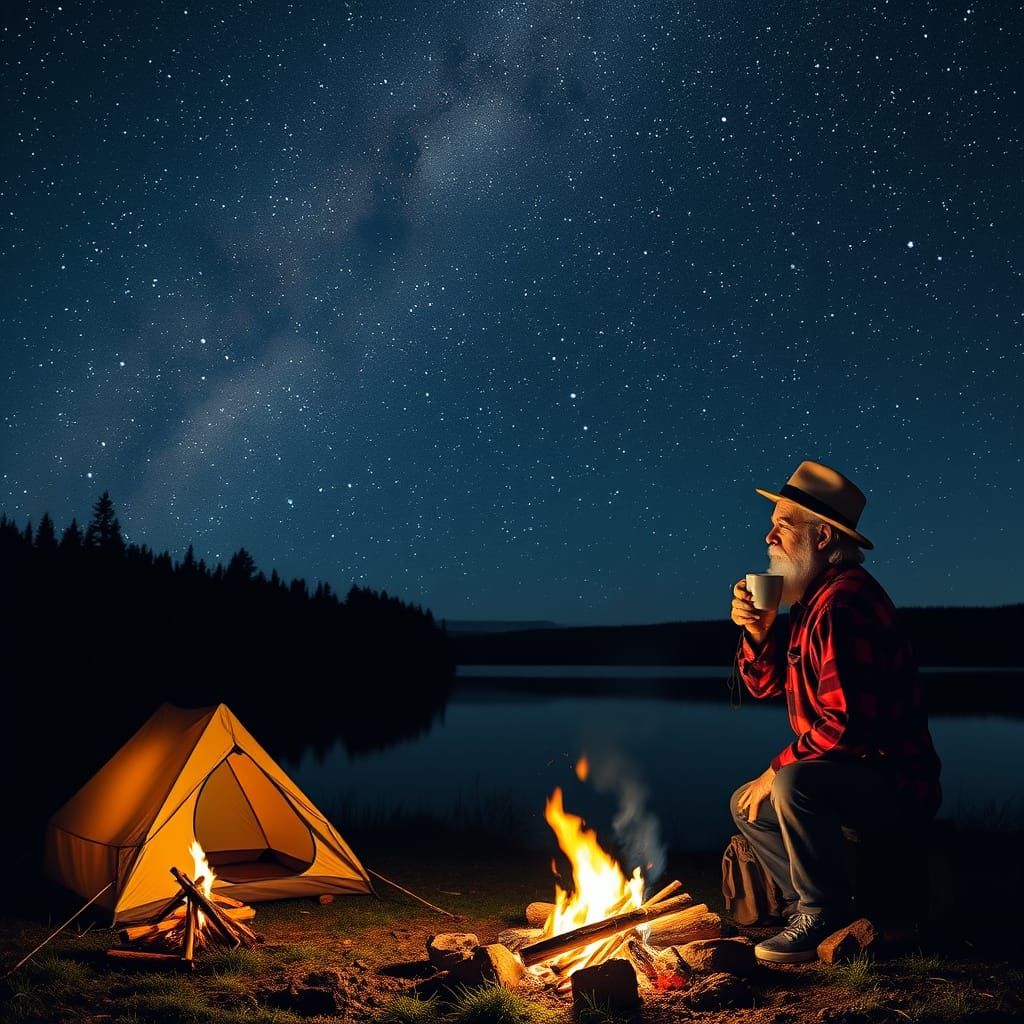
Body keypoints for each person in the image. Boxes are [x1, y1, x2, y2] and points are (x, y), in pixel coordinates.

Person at [728, 460, 941, 963]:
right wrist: (759, 631)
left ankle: (820, 913)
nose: (768, 536)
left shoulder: (845, 603)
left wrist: (776, 768)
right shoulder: (810, 604)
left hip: (893, 783)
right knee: (746, 803)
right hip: (849, 776)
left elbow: (849, 726)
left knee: (791, 785)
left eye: (782, 524)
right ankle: (819, 909)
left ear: (822, 536)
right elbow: (763, 687)